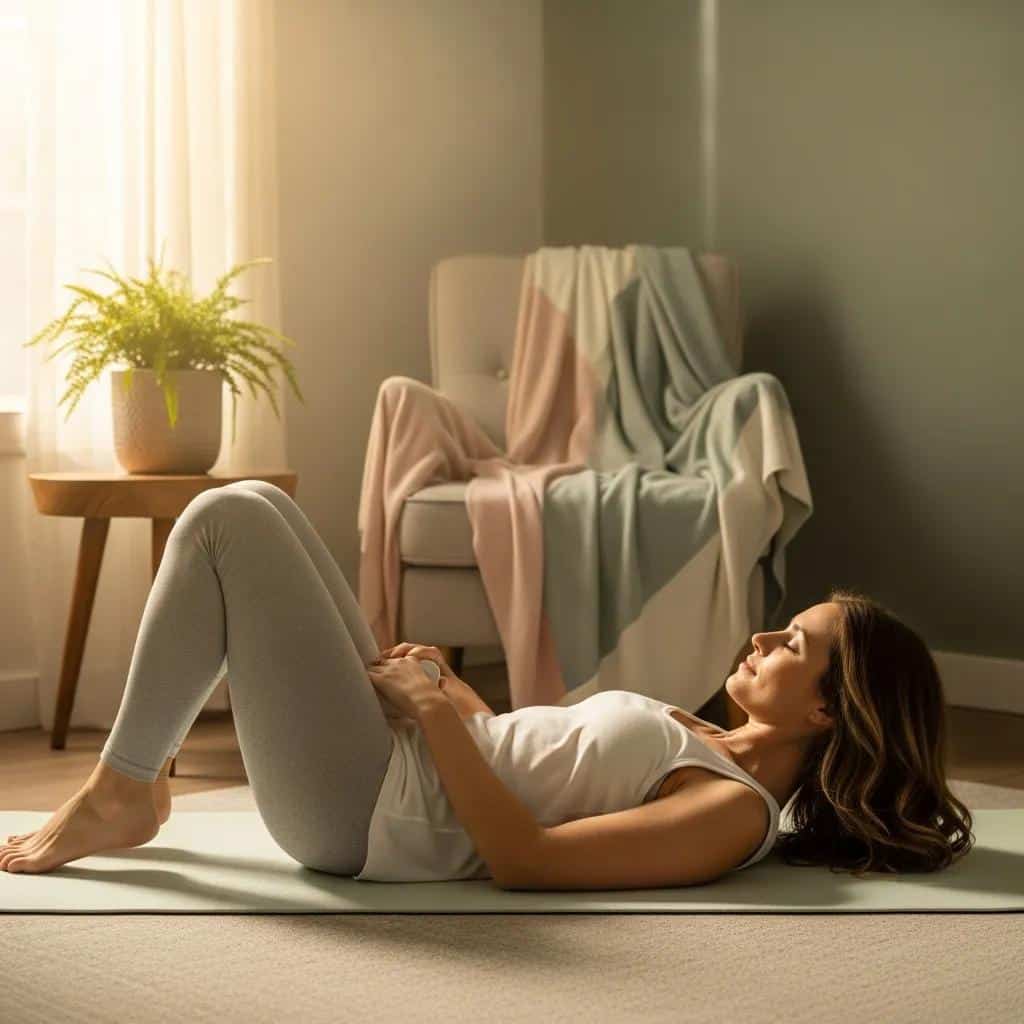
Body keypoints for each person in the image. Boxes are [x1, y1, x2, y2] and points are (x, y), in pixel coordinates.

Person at [0, 481, 973, 879]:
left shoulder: (731, 809)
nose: (761, 634)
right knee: (255, 500)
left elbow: (526, 859)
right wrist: (451, 696)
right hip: (403, 756)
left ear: (825, 710)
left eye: (792, 645)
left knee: (223, 521)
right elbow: (531, 762)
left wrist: (431, 712)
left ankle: (125, 783)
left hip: (362, 812)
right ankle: (137, 773)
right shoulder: (699, 734)